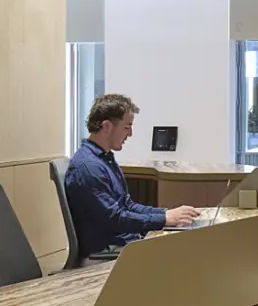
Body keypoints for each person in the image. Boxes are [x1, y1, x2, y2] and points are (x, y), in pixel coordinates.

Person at [65, 93, 200, 261]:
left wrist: (166, 214)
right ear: (106, 126)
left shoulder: (104, 159)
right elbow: (115, 219)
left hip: (123, 241)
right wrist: (164, 219)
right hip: (111, 249)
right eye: (127, 127)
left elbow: (126, 205)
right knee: (185, 254)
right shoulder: (89, 167)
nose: (130, 134)